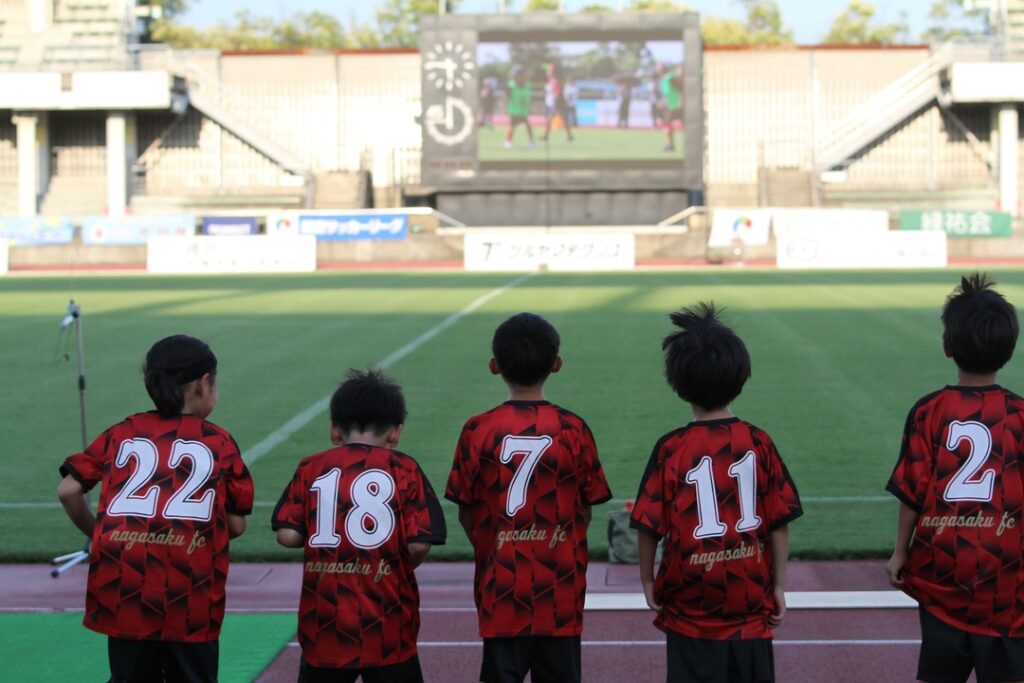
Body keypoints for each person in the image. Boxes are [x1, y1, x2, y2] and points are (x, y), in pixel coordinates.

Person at [57, 334, 254, 683]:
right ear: (203, 383)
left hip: (126, 588)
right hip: (189, 594)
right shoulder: (218, 441)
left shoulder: (122, 432)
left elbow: (68, 490)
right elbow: (236, 526)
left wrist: (100, 534)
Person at [630, 304, 803, 683]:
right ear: (740, 375)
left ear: (678, 382)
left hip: (689, 607)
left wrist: (647, 579)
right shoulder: (758, 442)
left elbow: (648, 524)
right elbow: (779, 520)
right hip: (749, 602)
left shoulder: (671, 448)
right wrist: (778, 585)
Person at [446, 312, 612, 683]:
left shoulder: (477, 429)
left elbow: (466, 511)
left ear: (494, 365)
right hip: (561, 588)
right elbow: (585, 509)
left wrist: (496, 544)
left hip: (501, 586)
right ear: (557, 364)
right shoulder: (573, 428)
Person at [886, 273, 1024, 683]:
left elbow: (911, 492)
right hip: (1008, 577)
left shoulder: (928, 411)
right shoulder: (1020, 416)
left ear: (947, 346)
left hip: (941, 570)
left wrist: (900, 552)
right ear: (1010, 348)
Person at [273, 368, 446, 683]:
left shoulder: (311, 467)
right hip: (388, 623)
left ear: (334, 430)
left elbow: (287, 535)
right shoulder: (405, 469)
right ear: (395, 433)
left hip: (326, 624)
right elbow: (419, 542)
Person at [541, 63, 574, 143]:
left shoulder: (555, 81)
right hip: (553, 103)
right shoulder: (551, 81)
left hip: (558, 103)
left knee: (561, 120)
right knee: (552, 119)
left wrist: (554, 104)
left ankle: (546, 135)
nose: (547, 72)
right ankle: (546, 135)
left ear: (553, 72)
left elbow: (557, 93)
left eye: (549, 70)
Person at [504, 67, 534, 149]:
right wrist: (505, 108)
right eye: (519, 75)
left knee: (527, 126)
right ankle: (508, 141)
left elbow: (529, 98)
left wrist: (530, 107)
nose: (521, 76)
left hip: (523, 111)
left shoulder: (527, 85)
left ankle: (531, 141)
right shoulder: (511, 85)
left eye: (522, 74)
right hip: (515, 110)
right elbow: (506, 97)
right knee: (512, 126)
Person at [659, 63, 683, 151]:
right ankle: (670, 144)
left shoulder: (670, 77)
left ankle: (670, 144)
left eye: (661, 67)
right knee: (668, 123)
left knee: (667, 123)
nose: (659, 69)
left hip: (675, 105)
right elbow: (669, 93)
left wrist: (681, 101)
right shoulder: (666, 78)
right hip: (672, 104)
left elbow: (681, 88)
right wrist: (664, 102)